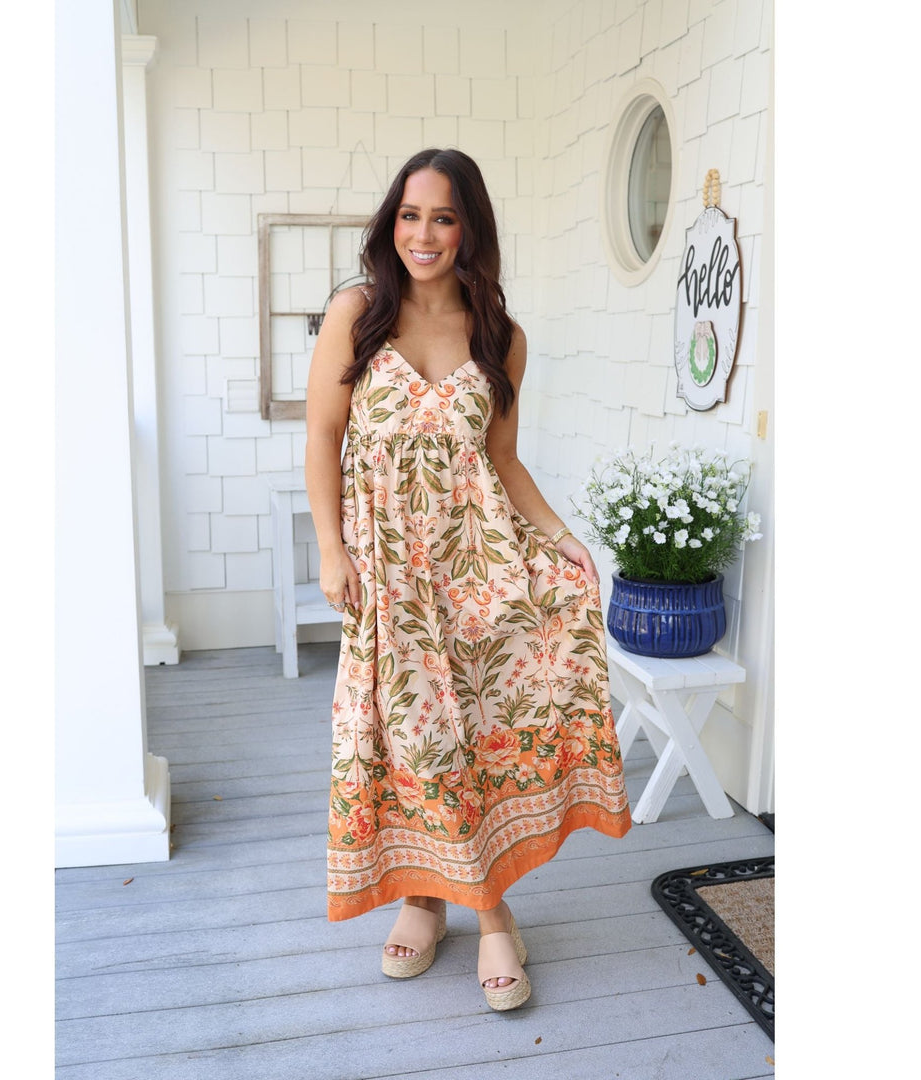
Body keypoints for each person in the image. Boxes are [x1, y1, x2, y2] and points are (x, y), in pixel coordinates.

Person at [305, 148, 631, 1012]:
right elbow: (321, 442)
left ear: (470, 229)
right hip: (388, 580)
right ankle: (426, 899)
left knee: (483, 735)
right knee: (408, 742)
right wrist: (332, 552)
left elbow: (503, 461)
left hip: (477, 571)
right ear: (392, 222)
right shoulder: (356, 313)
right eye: (410, 215)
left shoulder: (502, 338)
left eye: (443, 218)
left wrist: (563, 541)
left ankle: (486, 911)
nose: (424, 234)